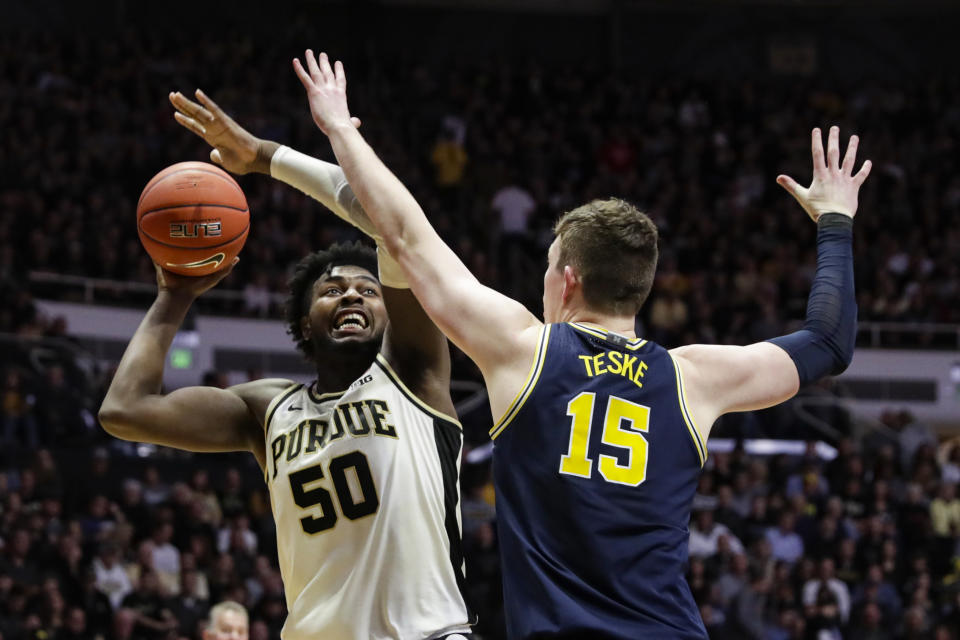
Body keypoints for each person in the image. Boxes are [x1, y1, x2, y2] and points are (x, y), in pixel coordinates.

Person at [290, 50, 871, 638]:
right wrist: (835, 219)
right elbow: (829, 339)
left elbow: (405, 234)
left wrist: (339, 126)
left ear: (567, 279)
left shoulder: (524, 350)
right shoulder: (694, 378)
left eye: (548, 266)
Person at [98, 90, 475, 639]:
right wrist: (174, 296)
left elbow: (389, 219)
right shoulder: (268, 408)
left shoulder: (415, 374)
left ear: (390, 314)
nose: (350, 295)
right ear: (304, 324)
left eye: (368, 289)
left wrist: (267, 157)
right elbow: (125, 409)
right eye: (332, 289)